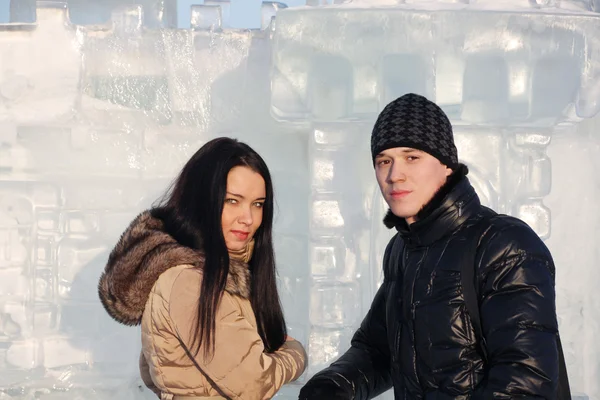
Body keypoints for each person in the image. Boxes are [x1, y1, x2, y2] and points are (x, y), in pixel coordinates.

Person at [299, 93, 569, 399]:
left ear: (447, 166)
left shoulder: (503, 245)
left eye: (411, 157)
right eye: (383, 160)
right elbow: (377, 350)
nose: (394, 174)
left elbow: (526, 381)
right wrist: (331, 386)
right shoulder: (402, 251)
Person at [98, 137, 307, 400]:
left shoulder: (217, 273)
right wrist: (294, 353)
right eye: (233, 201)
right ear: (202, 199)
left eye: (258, 204)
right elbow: (254, 383)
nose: (248, 218)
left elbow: (153, 369)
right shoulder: (189, 280)